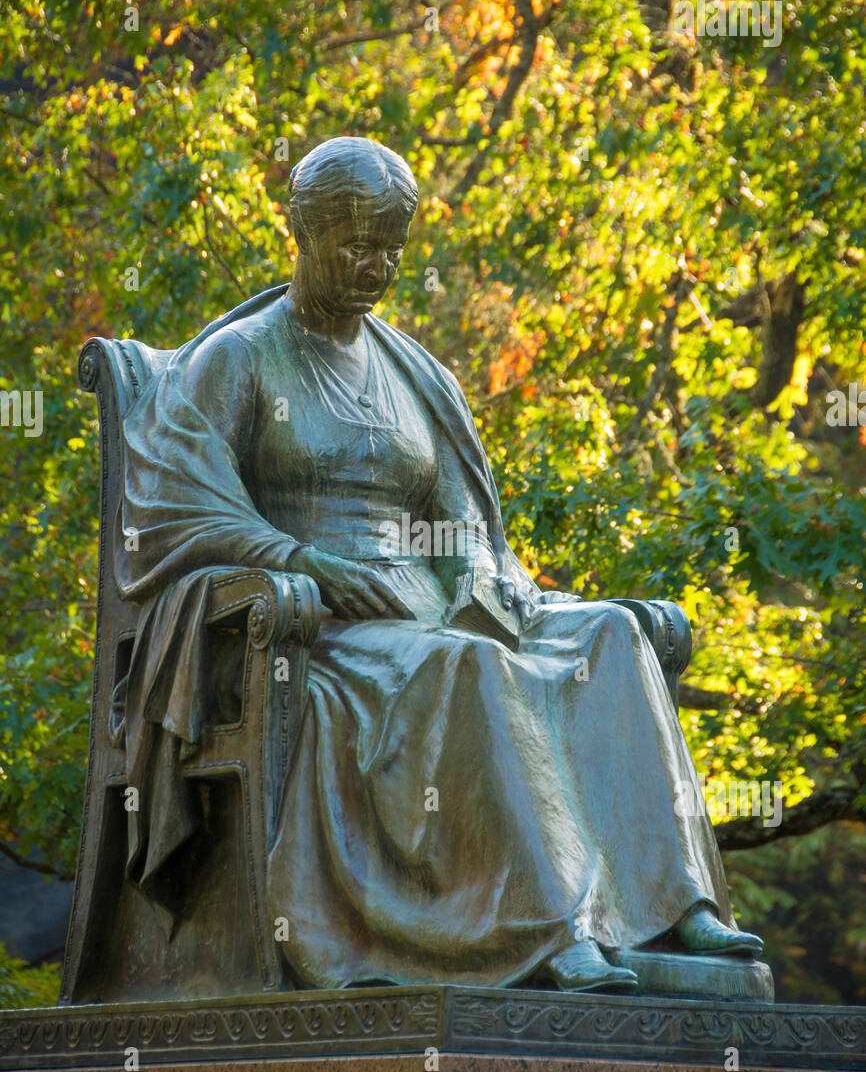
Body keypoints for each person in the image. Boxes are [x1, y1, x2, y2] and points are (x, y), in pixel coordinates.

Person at [116, 135, 762, 993]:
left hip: (430, 606)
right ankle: (550, 929)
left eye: (391, 246)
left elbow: (466, 527)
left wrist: (488, 588)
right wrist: (299, 559)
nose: (376, 265)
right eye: (356, 243)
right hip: (322, 630)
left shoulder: (415, 372)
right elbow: (171, 511)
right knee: (468, 666)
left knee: (611, 634)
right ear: (301, 231)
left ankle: (670, 904)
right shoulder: (237, 359)